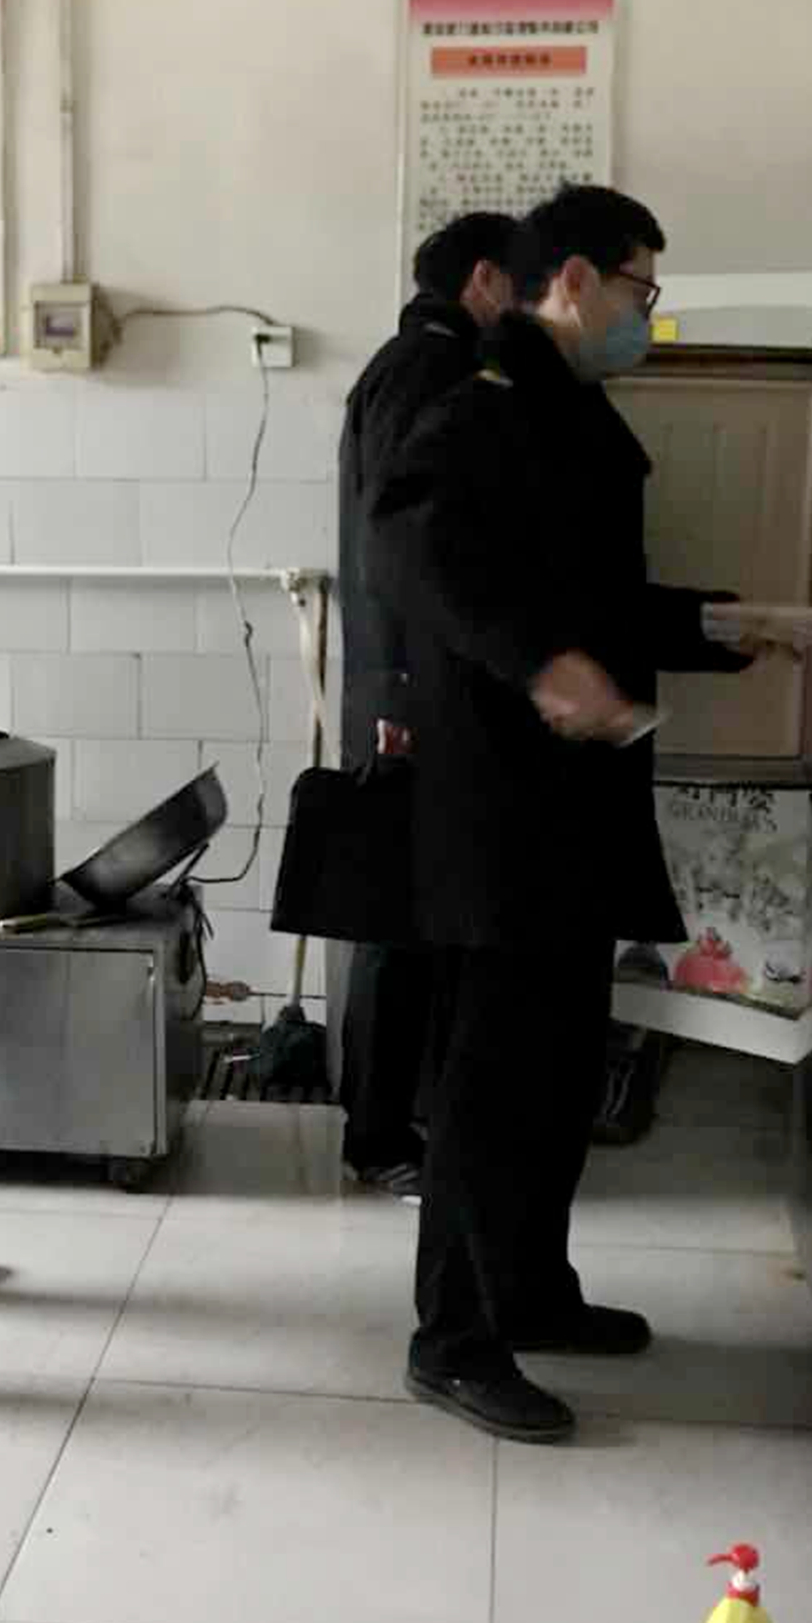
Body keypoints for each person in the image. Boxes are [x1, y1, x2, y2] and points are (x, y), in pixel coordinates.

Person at [370, 187, 753, 1444]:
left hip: (571, 806)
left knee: (557, 1068)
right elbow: (410, 551)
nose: (650, 314)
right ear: (576, 279)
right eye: (643, 289)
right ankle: (452, 1339)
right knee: (489, 1084)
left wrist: (722, 627)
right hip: (503, 809)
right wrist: (539, 662)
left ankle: (531, 1288)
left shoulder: (565, 409)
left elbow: (593, 595)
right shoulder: (481, 402)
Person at [336, 211, 518, 1201]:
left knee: (415, 918)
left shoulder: (420, 362)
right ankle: (379, 1138)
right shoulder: (428, 371)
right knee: (403, 924)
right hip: (414, 697)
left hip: (412, 688)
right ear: (484, 279)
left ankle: (404, 1126)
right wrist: (401, 689)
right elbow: (398, 545)